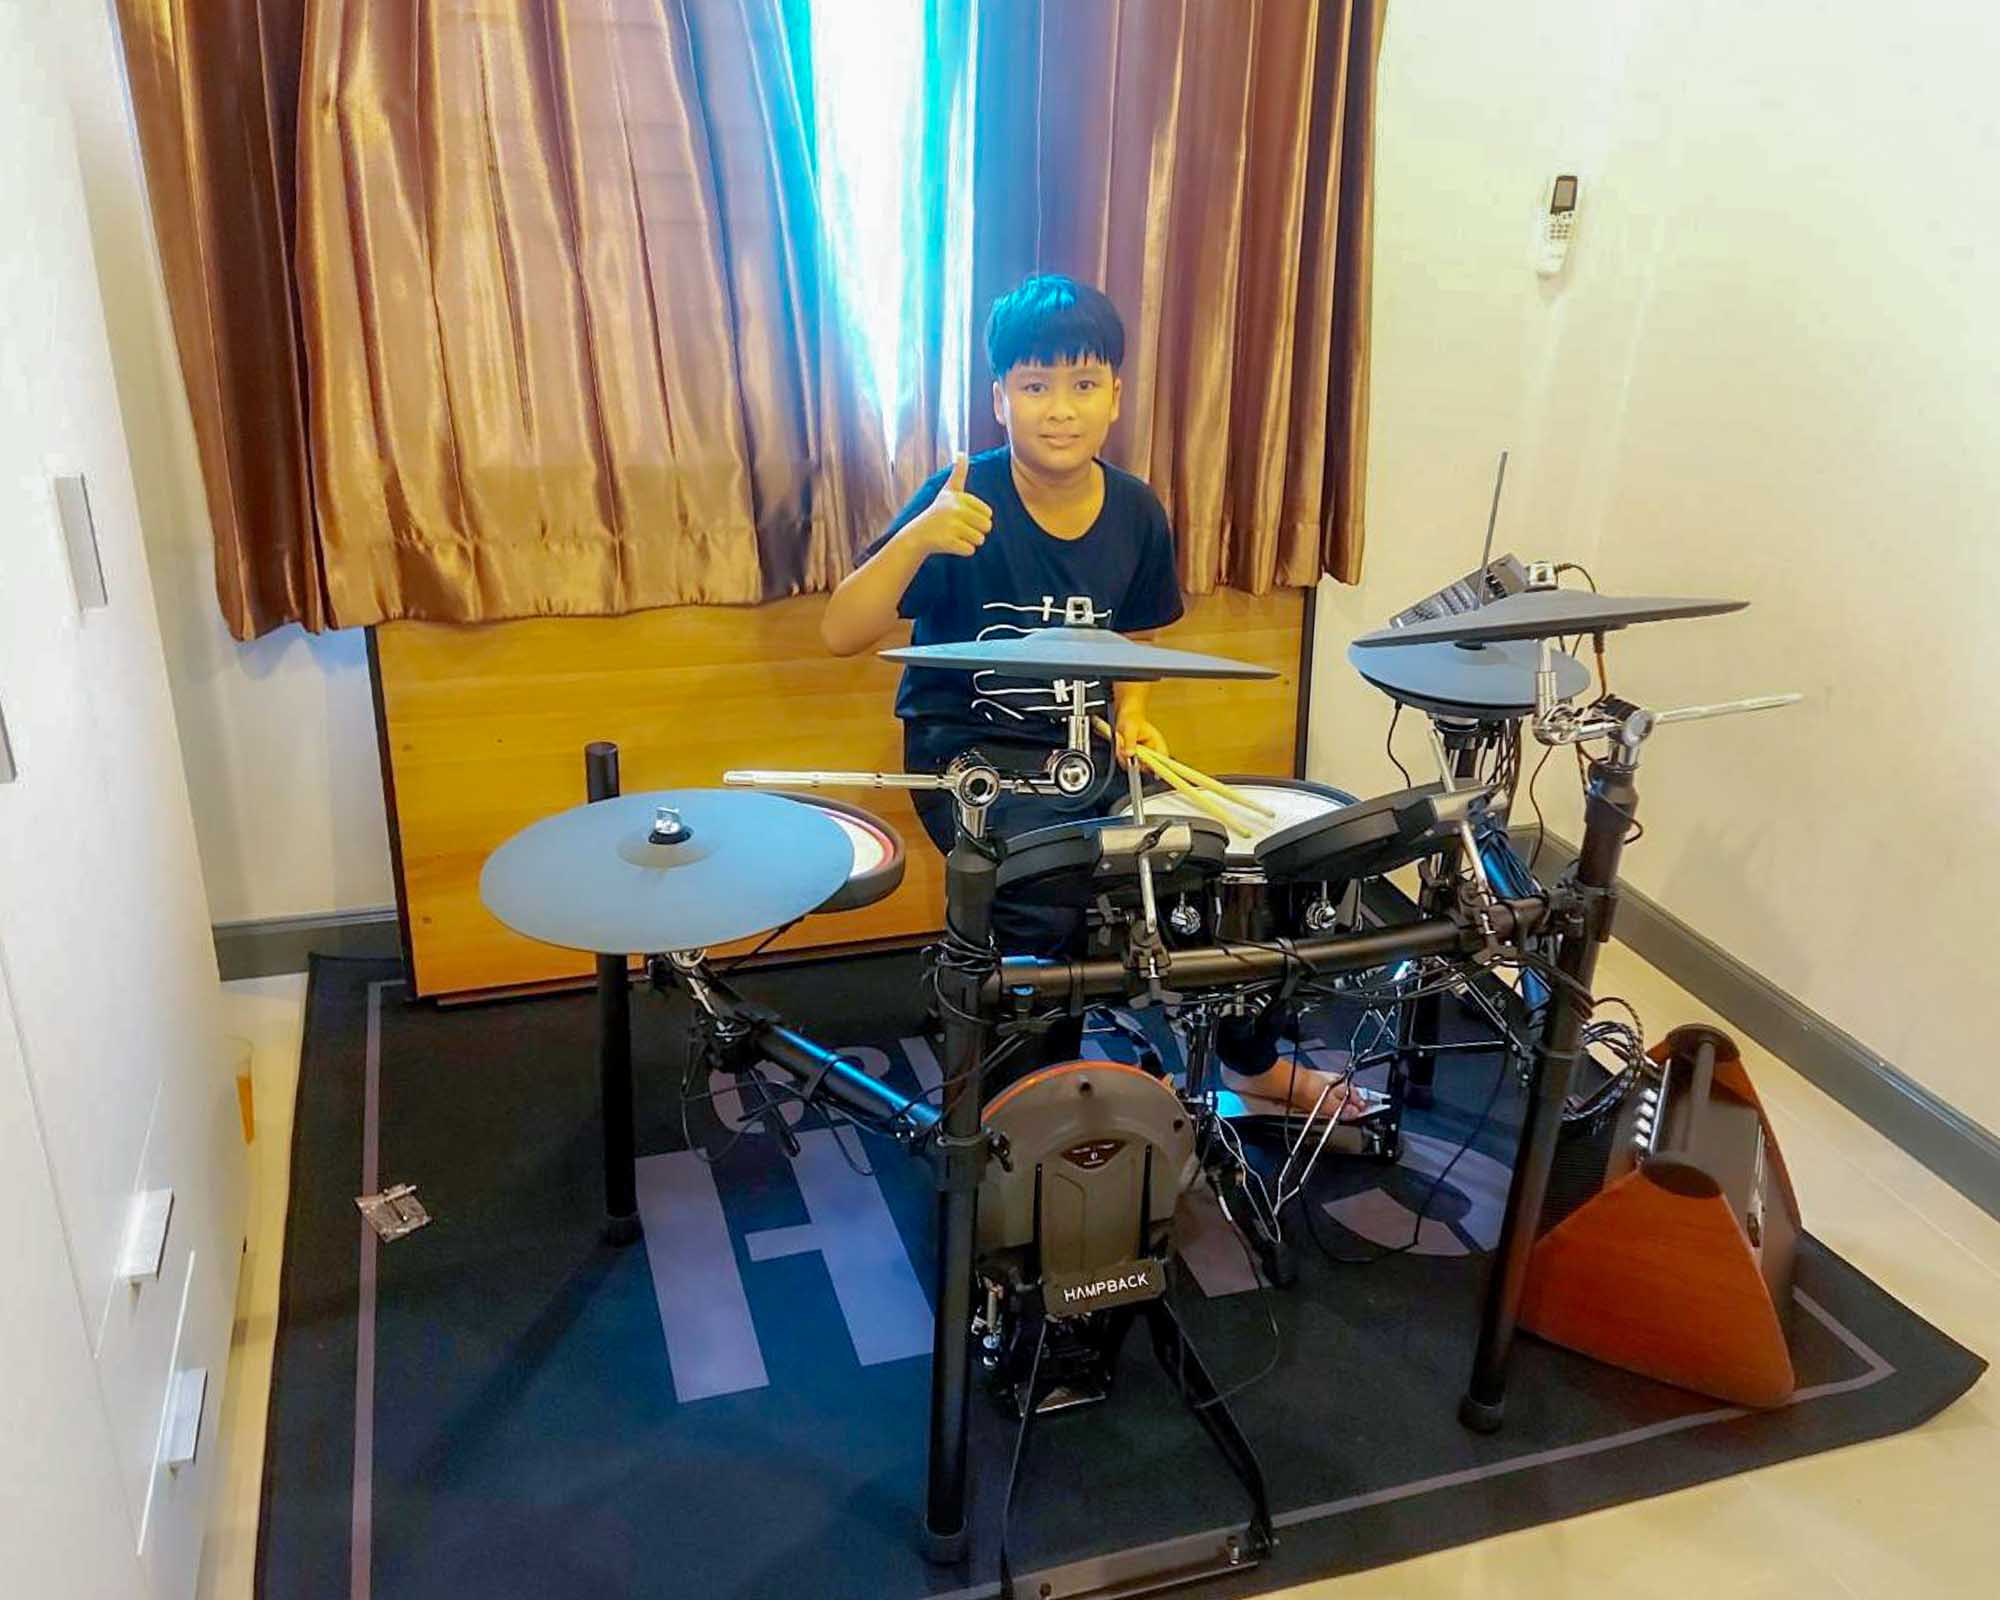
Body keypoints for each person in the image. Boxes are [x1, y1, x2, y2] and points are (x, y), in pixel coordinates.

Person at [822, 274, 1359, 1114]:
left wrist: (1134, 714)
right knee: (1050, 888)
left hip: (1085, 753)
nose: (1060, 410)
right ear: (1000, 400)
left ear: (1116, 395)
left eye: (1082, 384)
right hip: (969, 758)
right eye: (1035, 386)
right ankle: (1030, 1104)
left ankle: (1250, 1065)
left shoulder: (1137, 512)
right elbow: (840, 631)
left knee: (1235, 865)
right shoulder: (962, 499)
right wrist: (917, 539)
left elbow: (1133, 639)